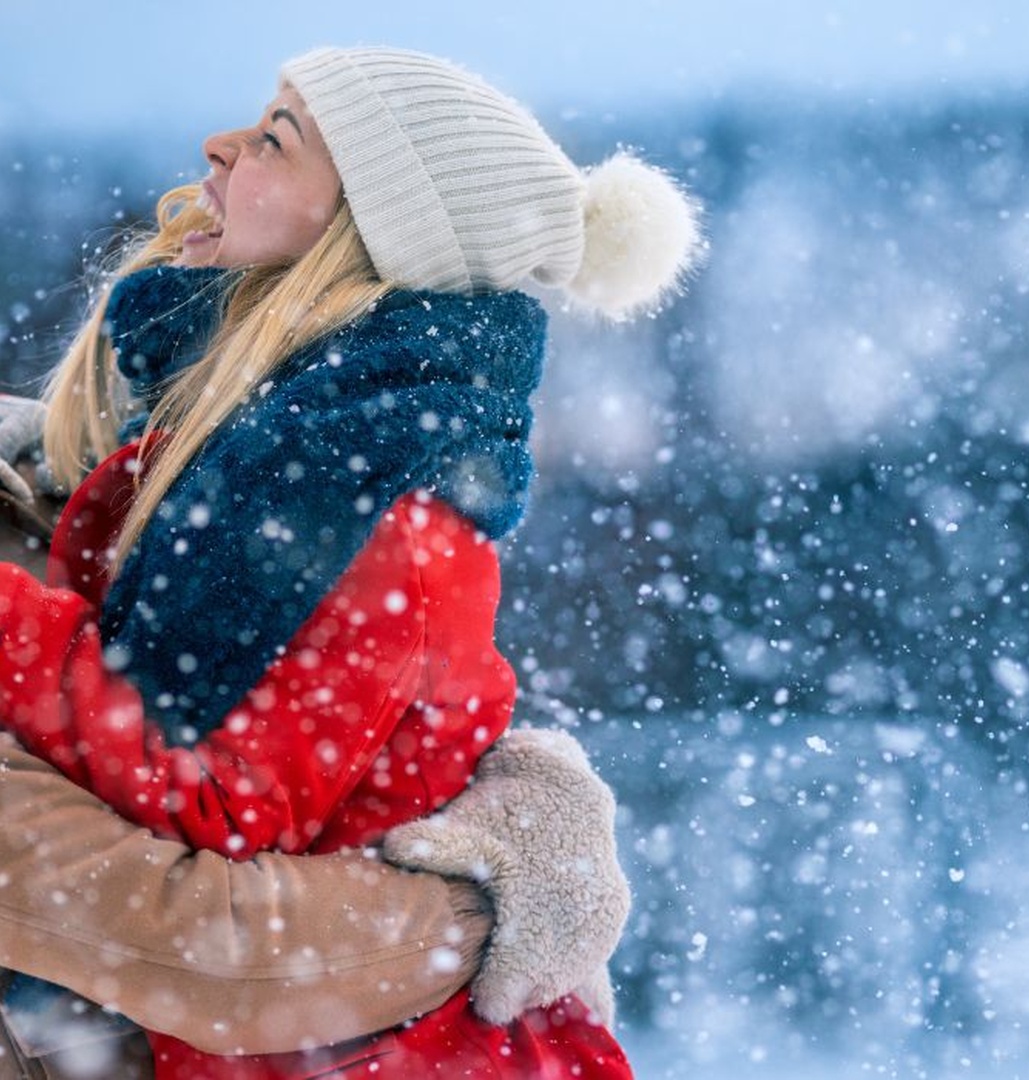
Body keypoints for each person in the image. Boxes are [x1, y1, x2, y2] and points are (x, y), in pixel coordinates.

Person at [0, 43, 699, 1079]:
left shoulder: (376, 521)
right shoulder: (244, 452)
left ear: (362, 236)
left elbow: (223, 808)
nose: (220, 147)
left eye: (275, 139)